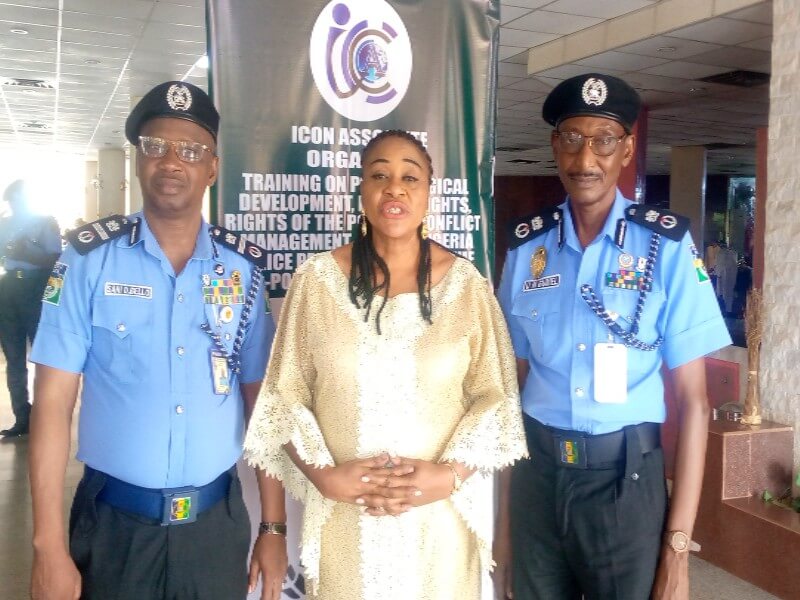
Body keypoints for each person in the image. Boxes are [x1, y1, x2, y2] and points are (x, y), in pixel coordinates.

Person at [28, 81, 287, 600]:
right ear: (137, 160)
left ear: (212, 168)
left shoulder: (242, 273)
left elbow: (262, 404)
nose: (172, 161)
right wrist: (48, 547)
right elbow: (53, 405)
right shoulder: (87, 262)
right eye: (155, 146)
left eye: (190, 150)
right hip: (114, 529)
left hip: (215, 531)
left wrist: (273, 528)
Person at [243, 130, 527, 600]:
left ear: (428, 193)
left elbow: (496, 399)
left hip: (438, 524)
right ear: (362, 191)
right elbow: (282, 397)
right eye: (379, 175)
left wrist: (450, 475)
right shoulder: (315, 282)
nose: (394, 188)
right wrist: (323, 475)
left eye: (409, 177)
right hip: (344, 520)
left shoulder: (468, 288)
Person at [494, 73, 732, 600]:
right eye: (573, 139)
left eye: (604, 141)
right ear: (556, 147)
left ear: (626, 150)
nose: (586, 160)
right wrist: (504, 531)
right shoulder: (524, 251)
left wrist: (677, 551)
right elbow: (510, 392)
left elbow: (696, 403)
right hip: (536, 476)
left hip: (625, 485)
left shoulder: (666, 247)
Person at [0, 180, 61, 437]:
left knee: (44, 356)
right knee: (13, 357)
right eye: (12, 201)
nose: (15, 205)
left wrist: (26, 254)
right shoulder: (4, 224)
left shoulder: (46, 222)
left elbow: (56, 260)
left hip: (37, 288)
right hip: (9, 287)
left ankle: (44, 415)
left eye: (19, 200)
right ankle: (22, 417)